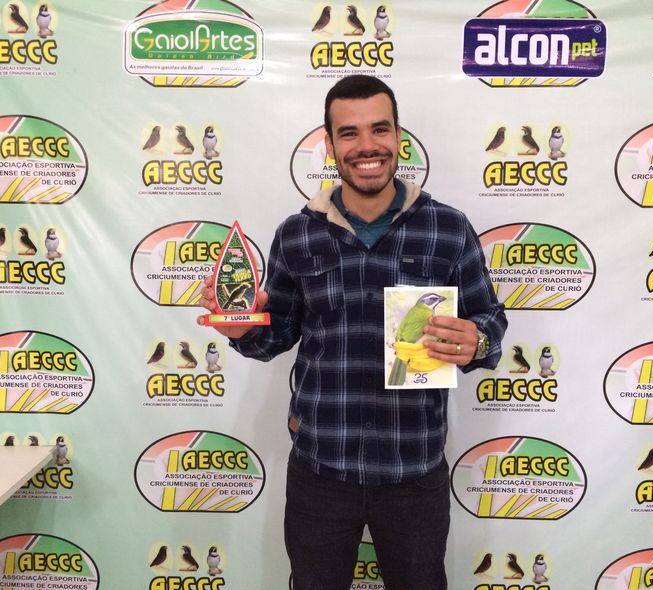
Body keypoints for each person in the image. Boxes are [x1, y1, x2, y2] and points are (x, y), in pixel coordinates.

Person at [198, 74, 507, 590]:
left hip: (414, 470)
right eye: (349, 133)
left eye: (379, 129)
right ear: (329, 144)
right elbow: (276, 336)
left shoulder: (448, 229)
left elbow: (489, 318)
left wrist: (477, 340)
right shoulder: (297, 234)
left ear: (399, 137)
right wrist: (243, 327)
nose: (367, 146)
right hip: (321, 469)